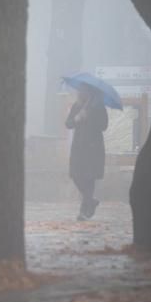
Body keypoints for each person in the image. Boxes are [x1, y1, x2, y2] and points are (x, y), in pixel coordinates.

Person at [65, 83, 108, 221]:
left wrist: (89, 117)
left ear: (89, 92)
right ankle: (91, 200)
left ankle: (84, 211)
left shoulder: (98, 107)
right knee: (76, 175)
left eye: (82, 91)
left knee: (89, 177)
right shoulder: (77, 106)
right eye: (79, 90)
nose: (79, 93)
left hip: (93, 147)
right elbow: (68, 123)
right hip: (79, 146)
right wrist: (77, 118)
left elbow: (104, 125)